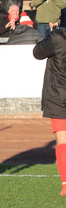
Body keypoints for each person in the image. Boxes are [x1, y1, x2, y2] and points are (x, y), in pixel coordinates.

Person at [32, 25, 66, 195]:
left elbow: (37, 52)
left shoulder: (58, 36)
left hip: (59, 96)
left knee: (62, 140)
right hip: (59, 95)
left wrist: (50, 34)